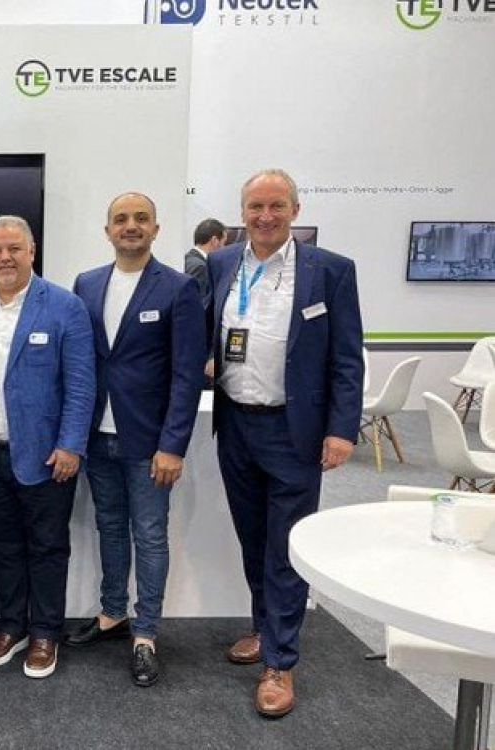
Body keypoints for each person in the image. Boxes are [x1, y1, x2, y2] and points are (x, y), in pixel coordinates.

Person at [209, 169, 363, 717]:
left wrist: (342, 428)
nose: (265, 216)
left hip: (293, 431)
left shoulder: (331, 271)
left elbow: (347, 357)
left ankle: (280, 661)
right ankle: (264, 627)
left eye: (276, 205)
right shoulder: (223, 264)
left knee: (286, 548)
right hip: (235, 425)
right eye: (255, 207)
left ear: (295, 210)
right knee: (253, 540)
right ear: (242, 212)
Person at [68, 193, 205, 687]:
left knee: (148, 534)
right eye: (121, 219)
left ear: (156, 228)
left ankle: (145, 632)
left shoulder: (178, 288)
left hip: (149, 444)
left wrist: (173, 445)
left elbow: (187, 374)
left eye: (141, 218)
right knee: (108, 526)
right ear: (107, 230)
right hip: (96, 437)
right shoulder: (86, 284)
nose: (131, 226)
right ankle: (112, 613)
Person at [0, 215, 95, 679]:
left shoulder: (64, 306)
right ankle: (11, 626)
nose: (5, 258)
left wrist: (71, 445)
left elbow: (81, 384)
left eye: (14, 248)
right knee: (2, 545)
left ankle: (44, 632)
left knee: (48, 546)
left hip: (46, 454)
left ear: (31, 252)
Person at [184, 218, 227, 314]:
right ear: (215, 241)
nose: (224, 249)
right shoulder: (201, 267)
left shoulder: (188, 259)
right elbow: (199, 305)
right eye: (224, 243)